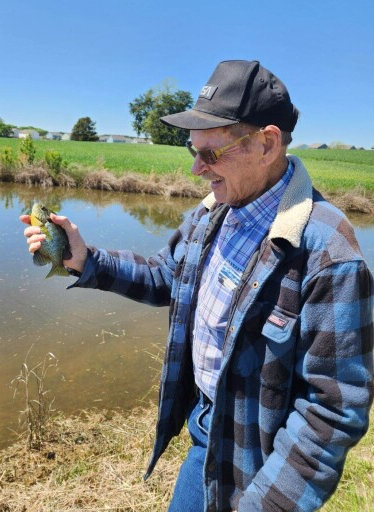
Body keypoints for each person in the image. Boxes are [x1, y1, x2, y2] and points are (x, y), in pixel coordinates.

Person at [21, 60, 373, 512]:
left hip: (262, 462)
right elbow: (167, 275)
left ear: (267, 143)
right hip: (206, 429)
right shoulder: (214, 211)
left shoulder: (329, 254)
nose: (195, 169)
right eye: (193, 150)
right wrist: (83, 259)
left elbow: (331, 413)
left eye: (210, 153)